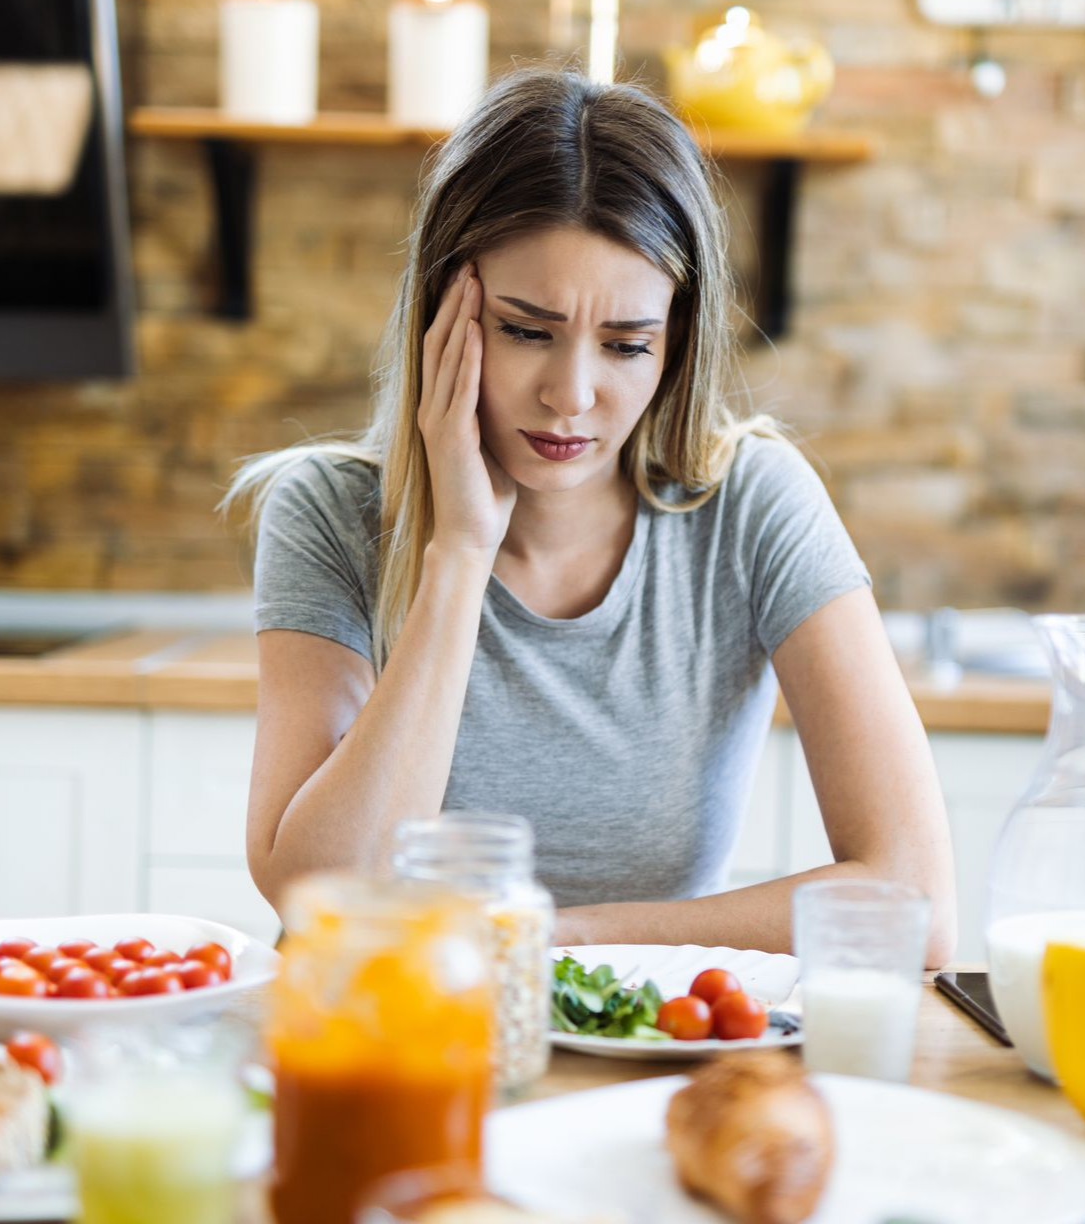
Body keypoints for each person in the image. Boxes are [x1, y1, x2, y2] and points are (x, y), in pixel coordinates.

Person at [227, 66, 956, 965]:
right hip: (384, 1044)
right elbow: (319, 895)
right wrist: (458, 554)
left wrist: (555, 939)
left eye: (626, 345)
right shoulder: (328, 513)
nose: (571, 394)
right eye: (526, 330)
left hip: (645, 1053)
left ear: (676, 344)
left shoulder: (754, 504)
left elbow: (916, 902)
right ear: (444, 313)